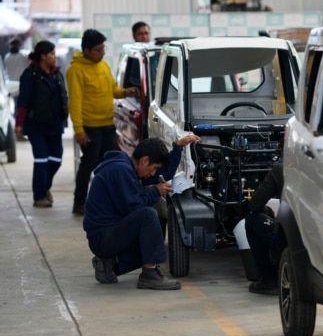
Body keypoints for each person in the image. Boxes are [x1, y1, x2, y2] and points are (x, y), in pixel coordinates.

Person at [84, 135, 200, 290]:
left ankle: (109, 265)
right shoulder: (121, 170)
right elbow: (134, 209)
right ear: (145, 161)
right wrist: (155, 192)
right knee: (148, 215)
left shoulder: (129, 168)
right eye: (153, 169)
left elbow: (164, 174)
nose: (153, 174)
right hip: (102, 237)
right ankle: (150, 275)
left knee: (154, 244)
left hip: (109, 234)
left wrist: (178, 146)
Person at [67, 29, 139, 215]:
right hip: (90, 127)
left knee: (109, 164)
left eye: (103, 48)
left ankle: (106, 201)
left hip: (108, 124)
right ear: (87, 50)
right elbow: (75, 101)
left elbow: (113, 90)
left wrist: (125, 92)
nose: (102, 52)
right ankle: (79, 202)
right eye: (98, 50)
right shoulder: (75, 70)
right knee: (89, 164)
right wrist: (79, 130)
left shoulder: (103, 65)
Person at [14, 41, 69, 208]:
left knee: (56, 159)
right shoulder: (29, 75)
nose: (54, 56)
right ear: (43, 56)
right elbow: (23, 101)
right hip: (36, 125)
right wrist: (19, 124)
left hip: (55, 125)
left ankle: (45, 187)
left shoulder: (57, 74)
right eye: (51, 53)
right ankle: (39, 196)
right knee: (41, 160)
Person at [245, 163, 283, 295]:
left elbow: (255, 205)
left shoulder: (282, 169)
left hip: (293, 236)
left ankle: (269, 280)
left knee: (252, 220)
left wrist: (269, 212)